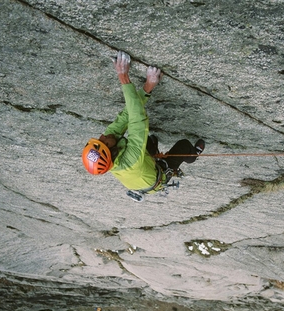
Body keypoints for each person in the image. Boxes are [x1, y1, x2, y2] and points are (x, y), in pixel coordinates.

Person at [81, 51, 205, 200]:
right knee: (183, 145)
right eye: (104, 141)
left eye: (99, 139)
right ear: (112, 151)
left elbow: (126, 115)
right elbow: (137, 118)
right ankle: (192, 156)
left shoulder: (108, 148)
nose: (103, 136)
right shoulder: (131, 160)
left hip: (142, 169)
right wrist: (123, 76)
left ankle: (152, 151)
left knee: (151, 141)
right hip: (157, 178)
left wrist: (148, 87)